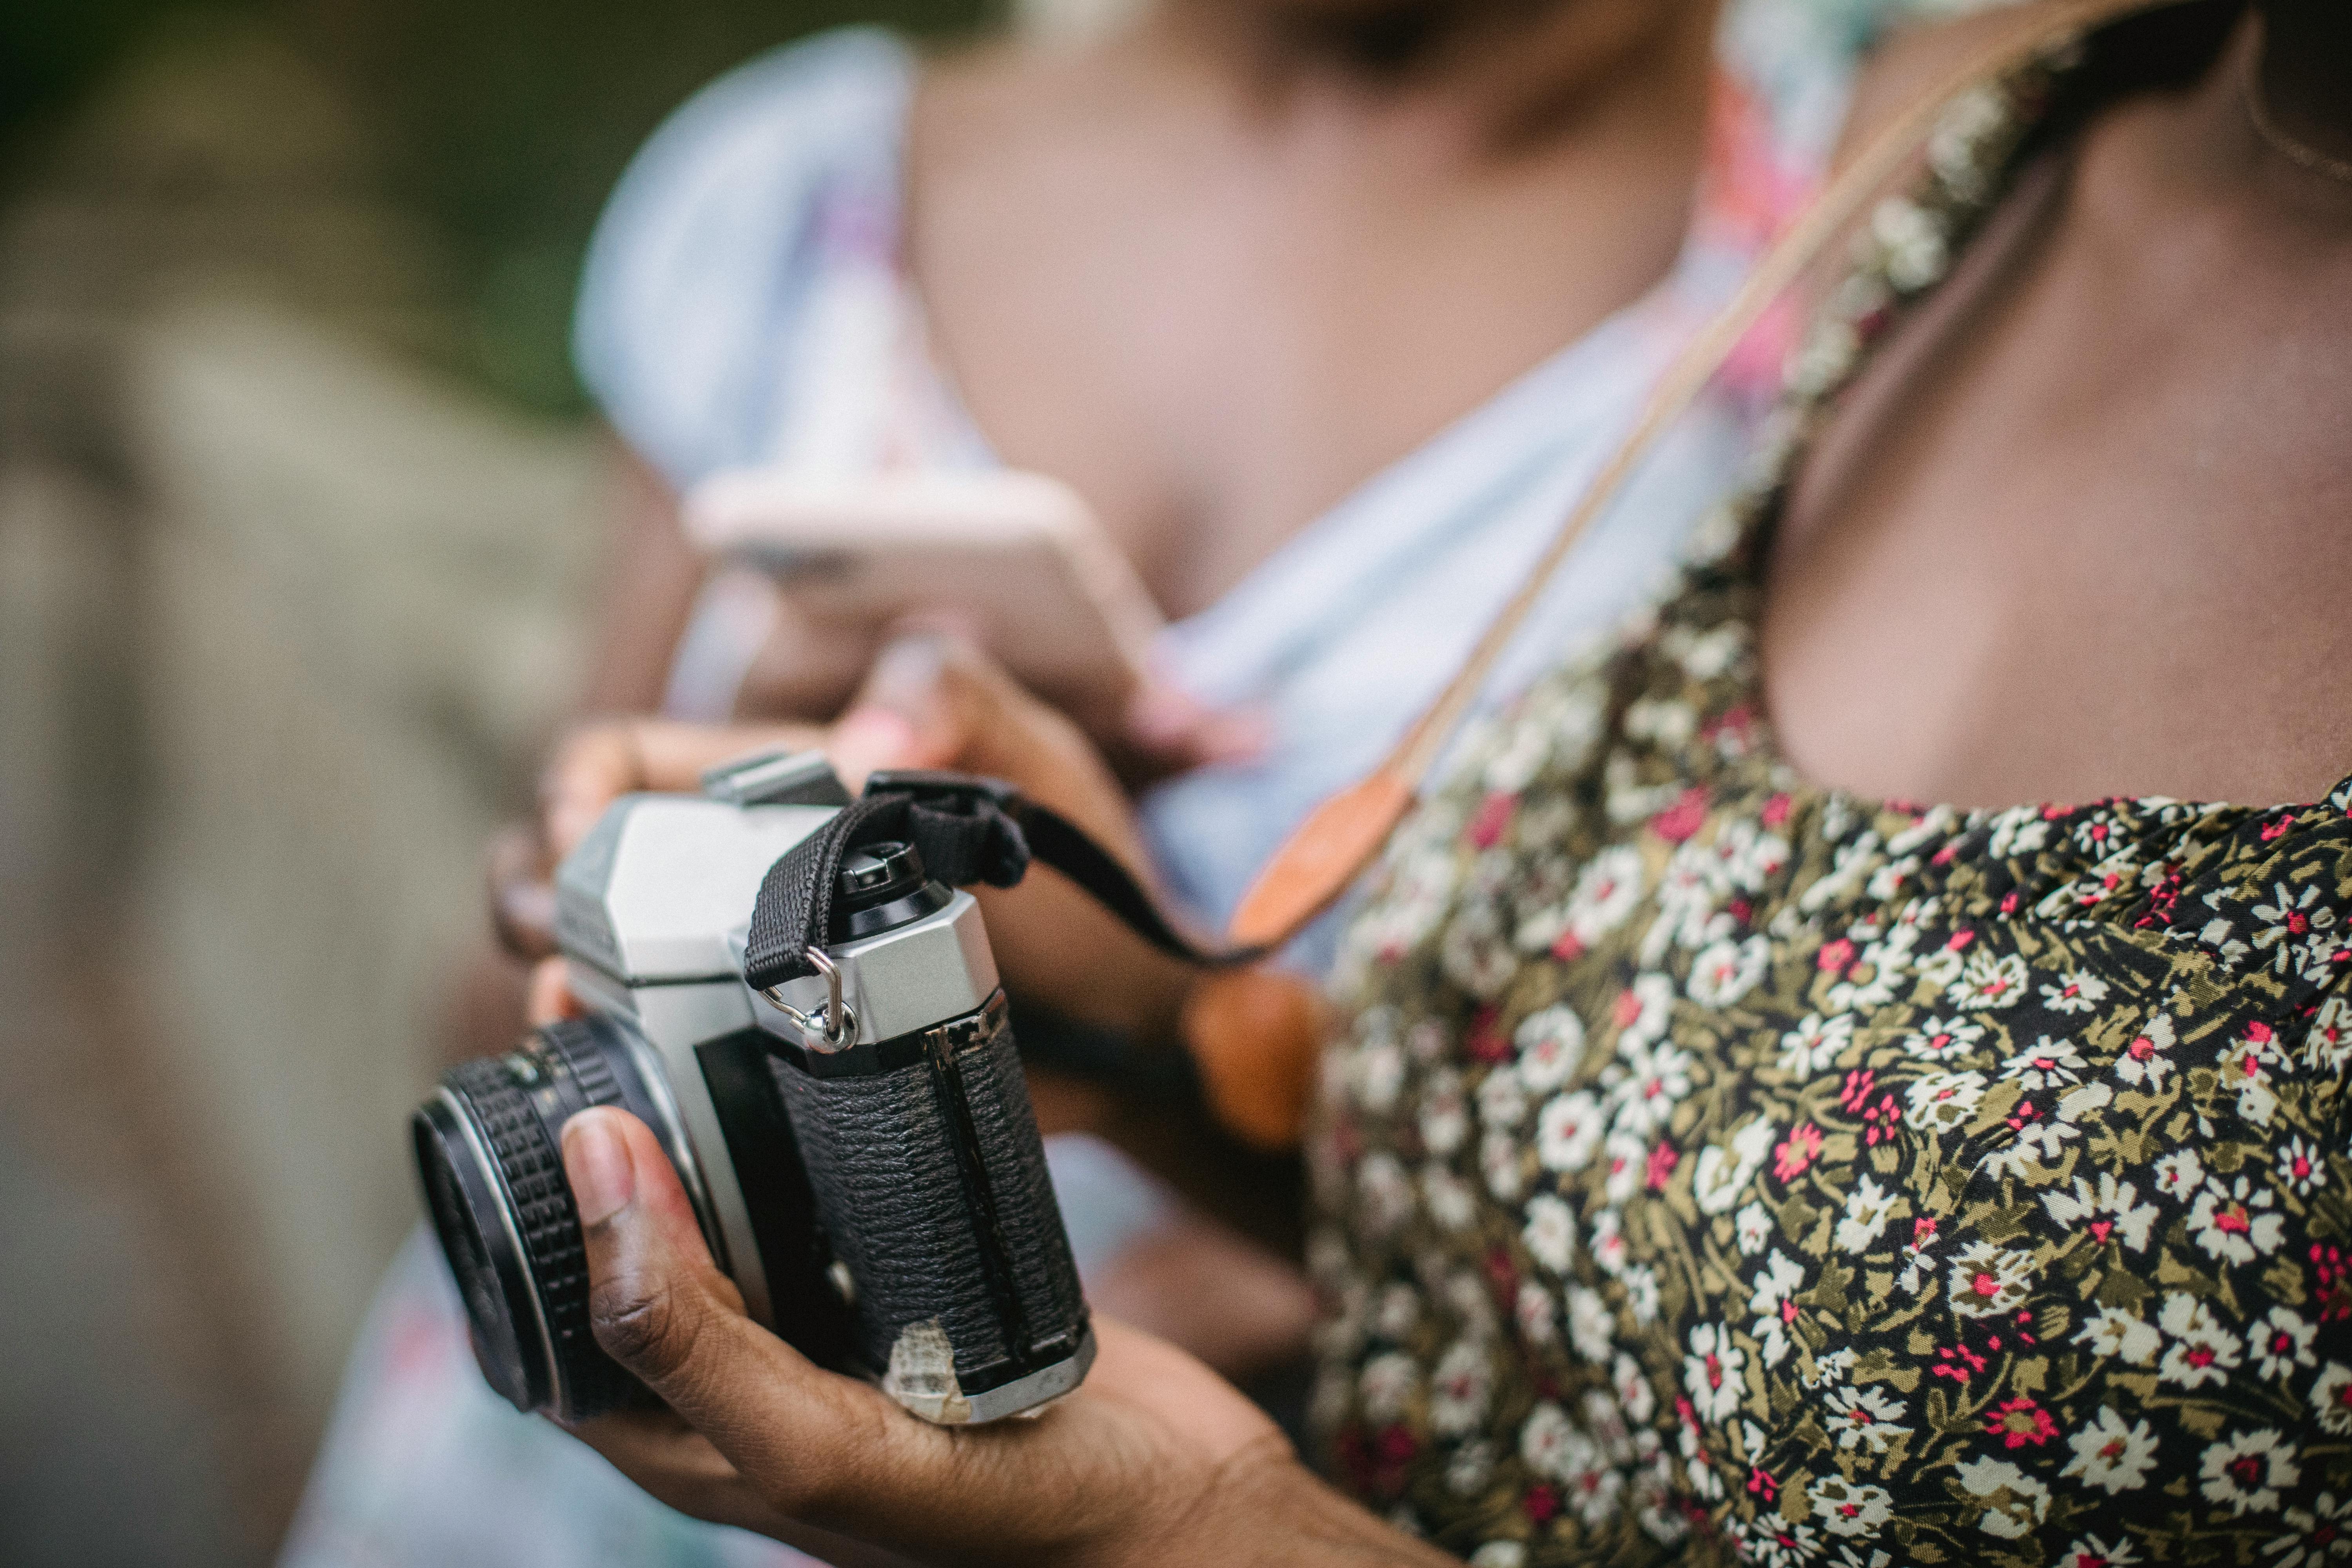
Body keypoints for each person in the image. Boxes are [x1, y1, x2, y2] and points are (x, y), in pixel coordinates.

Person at [523, 0, 2352, 1561]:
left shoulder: (1783, 187)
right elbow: (1646, 1245)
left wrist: (1201, 1527)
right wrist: (1149, 1028)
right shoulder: (1973, 144)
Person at [283, 0, 1950, 1562]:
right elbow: (492, 1020)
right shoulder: (798, 192)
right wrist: (696, 829)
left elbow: (1847, 1230)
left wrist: (1294, 1258)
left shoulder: (1910, 215)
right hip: (552, 1471)